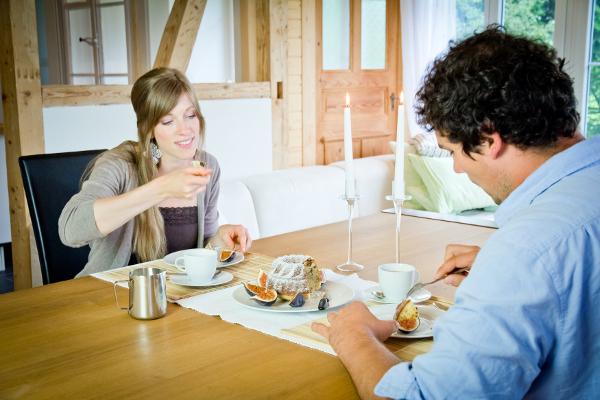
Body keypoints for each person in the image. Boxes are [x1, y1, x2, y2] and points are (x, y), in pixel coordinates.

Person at [312, 26, 600, 399]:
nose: (458, 169)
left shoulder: (526, 254)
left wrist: (354, 337)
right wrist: (517, 276)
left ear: (489, 139)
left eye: (452, 152)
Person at [59, 68, 251, 277]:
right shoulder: (119, 165)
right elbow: (70, 229)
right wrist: (161, 188)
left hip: (177, 296)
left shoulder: (206, 164)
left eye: (190, 115)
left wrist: (219, 240)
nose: (185, 129)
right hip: (112, 295)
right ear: (148, 128)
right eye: (168, 121)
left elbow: (200, 250)